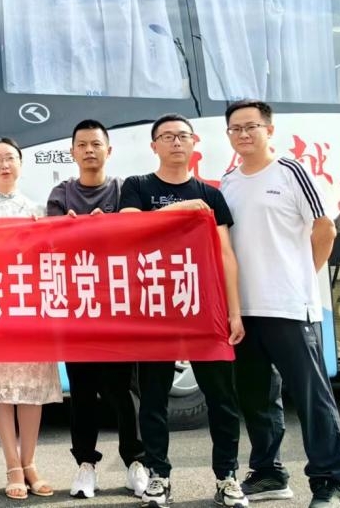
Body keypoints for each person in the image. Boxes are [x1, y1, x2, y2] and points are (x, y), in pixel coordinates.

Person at [219, 100, 340, 508]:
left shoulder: (291, 171)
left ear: (269, 130)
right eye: (235, 128)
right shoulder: (229, 181)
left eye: (251, 126)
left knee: (312, 399)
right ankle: (269, 474)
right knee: (256, 399)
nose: (243, 134)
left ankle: (328, 484)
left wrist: (302, 275)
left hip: (290, 307)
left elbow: (325, 228)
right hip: (246, 311)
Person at [119, 114, 246, 508]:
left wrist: (235, 312)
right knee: (153, 400)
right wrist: (182, 208)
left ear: (194, 144)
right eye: (167, 136)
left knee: (222, 400)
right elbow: (129, 226)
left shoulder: (211, 195)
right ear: (153, 146)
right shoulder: (137, 186)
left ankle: (227, 477)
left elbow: (226, 255)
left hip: (203, 308)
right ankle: (159, 476)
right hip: (155, 310)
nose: (176, 142)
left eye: (183, 136)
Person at [45, 121, 148, 500]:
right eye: (82, 145)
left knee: (125, 392)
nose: (89, 150)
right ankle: (85, 465)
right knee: (83, 392)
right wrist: (70, 232)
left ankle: (136, 463)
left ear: (109, 150)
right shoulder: (61, 194)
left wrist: (109, 227)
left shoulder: (125, 190)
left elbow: (138, 236)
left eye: (96, 144)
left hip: (120, 309)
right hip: (78, 310)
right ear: (72, 152)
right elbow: (51, 243)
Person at [0, 138, 60, 501]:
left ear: (21, 164)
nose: (4, 164)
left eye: (10, 158)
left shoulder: (39, 211)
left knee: (31, 389)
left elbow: (52, 260)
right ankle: (12, 465)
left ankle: (30, 462)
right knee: (0, 388)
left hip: (30, 310)